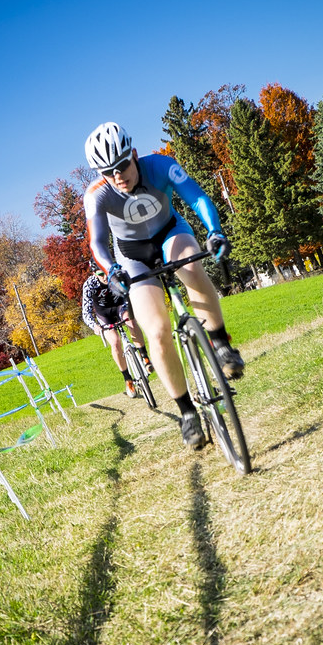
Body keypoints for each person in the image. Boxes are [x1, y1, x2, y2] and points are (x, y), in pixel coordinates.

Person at [84, 121, 244, 450]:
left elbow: (197, 198)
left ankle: (220, 343)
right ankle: (187, 413)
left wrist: (214, 231)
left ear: (135, 154)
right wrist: (111, 270)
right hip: (131, 256)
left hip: (170, 232)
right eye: (107, 171)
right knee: (155, 332)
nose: (117, 176)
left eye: (122, 166)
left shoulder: (161, 165)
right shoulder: (97, 195)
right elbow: (97, 243)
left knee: (192, 267)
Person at [82, 261, 153, 398]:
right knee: (115, 343)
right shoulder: (90, 285)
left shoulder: (116, 275)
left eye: (106, 272)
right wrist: (94, 326)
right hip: (104, 315)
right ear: (94, 274)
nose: (104, 276)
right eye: (100, 274)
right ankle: (128, 379)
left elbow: (131, 292)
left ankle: (145, 357)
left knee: (130, 320)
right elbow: (86, 311)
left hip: (120, 306)